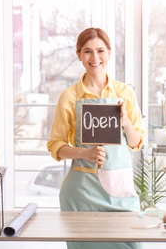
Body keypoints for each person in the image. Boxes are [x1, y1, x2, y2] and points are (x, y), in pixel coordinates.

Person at [47, 27, 145, 249]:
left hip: (119, 188)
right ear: (79, 55)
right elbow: (56, 145)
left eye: (100, 51)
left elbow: (136, 142)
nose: (95, 58)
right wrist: (85, 153)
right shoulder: (70, 97)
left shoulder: (124, 93)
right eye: (88, 52)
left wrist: (126, 122)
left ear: (109, 53)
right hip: (82, 191)